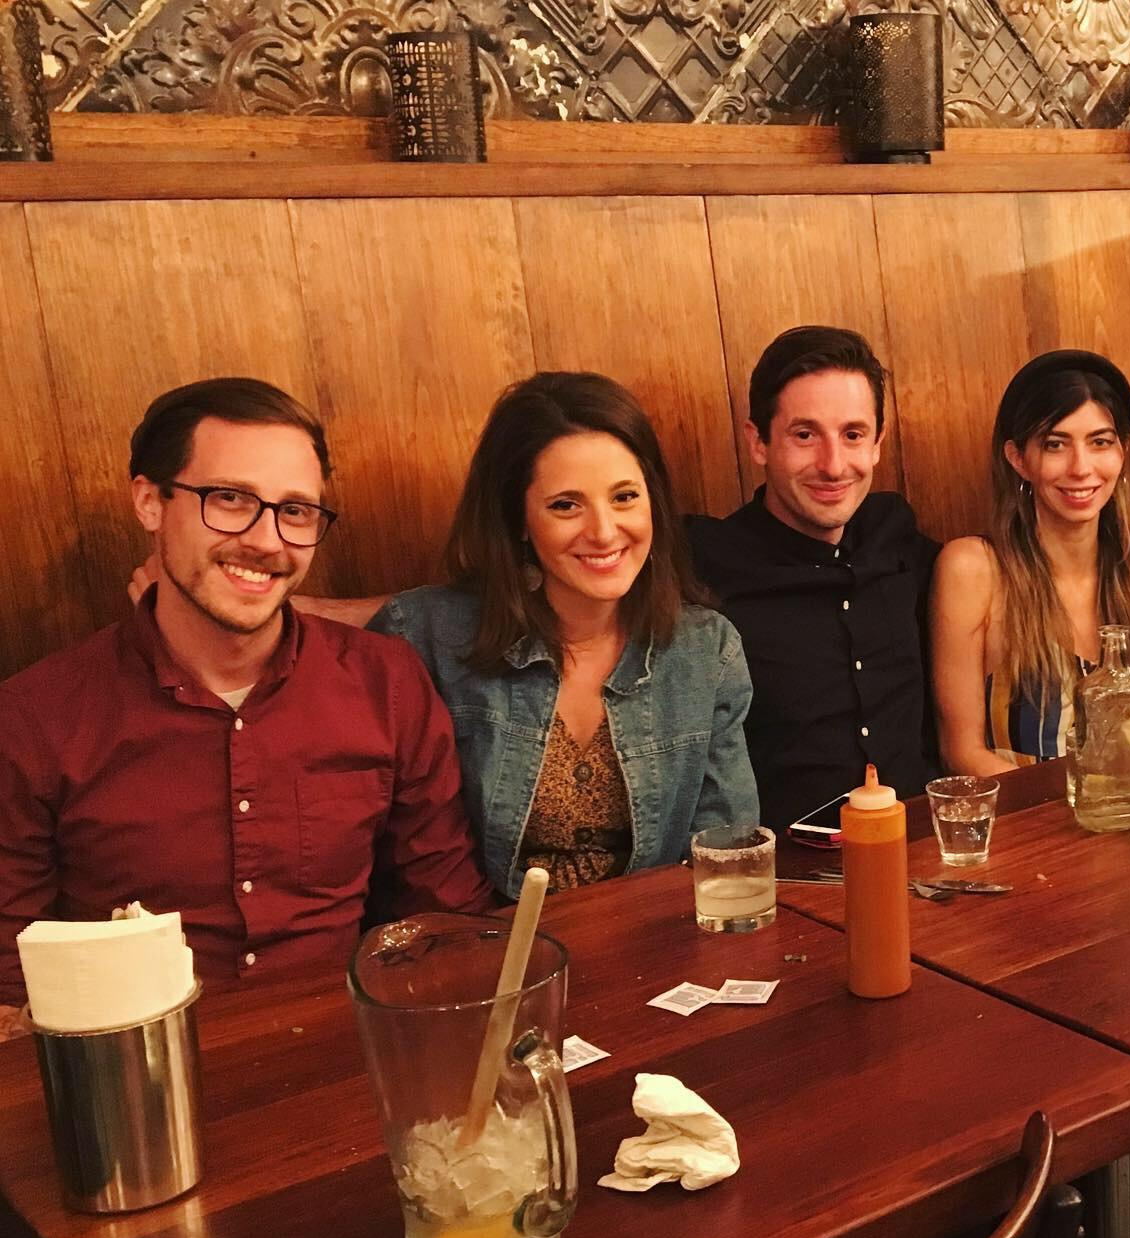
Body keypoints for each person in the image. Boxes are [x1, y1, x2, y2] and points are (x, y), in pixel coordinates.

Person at [0, 378, 490, 1036]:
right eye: (229, 500)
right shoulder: (36, 718)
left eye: (296, 511)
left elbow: (445, 913)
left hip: (350, 1060)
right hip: (140, 1085)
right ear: (149, 501)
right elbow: (9, 976)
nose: (266, 540)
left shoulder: (386, 681)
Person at [368, 372, 759, 899]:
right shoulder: (423, 639)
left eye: (624, 497)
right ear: (519, 520)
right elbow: (408, 864)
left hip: (652, 945)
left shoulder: (704, 649)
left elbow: (724, 851)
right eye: (565, 505)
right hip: (483, 952)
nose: (603, 530)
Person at [686, 326, 939, 829]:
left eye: (852, 435)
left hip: (920, 850)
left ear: (877, 445)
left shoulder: (896, 536)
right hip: (783, 875)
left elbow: (1022, 567)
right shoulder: (705, 567)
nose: (833, 465)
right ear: (758, 442)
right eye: (805, 435)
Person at [929, 350, 1130, 773]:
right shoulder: (972, 569)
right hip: (1020, 823)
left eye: (1100, 442)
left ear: (1123, 452)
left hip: (1125, 814)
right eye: (1055, 445)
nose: (1081, 468)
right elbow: (961, 752)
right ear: (1018, 458)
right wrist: (1075, 807)